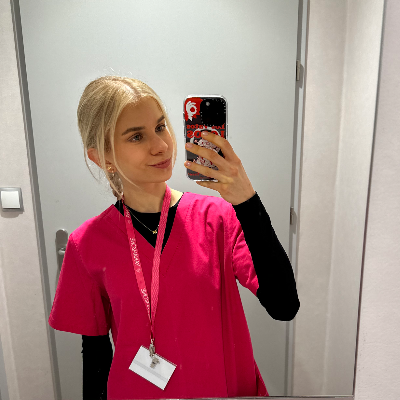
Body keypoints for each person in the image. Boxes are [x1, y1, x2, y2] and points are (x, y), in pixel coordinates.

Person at [48, 76, 300, 400]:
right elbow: (96, 355)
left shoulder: (218, 219)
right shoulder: (86, 245)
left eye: (160, 126)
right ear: (102, 157)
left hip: (224, 393)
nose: (161, 145)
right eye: (137, 136)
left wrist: (247, 201)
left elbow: (284, 305)